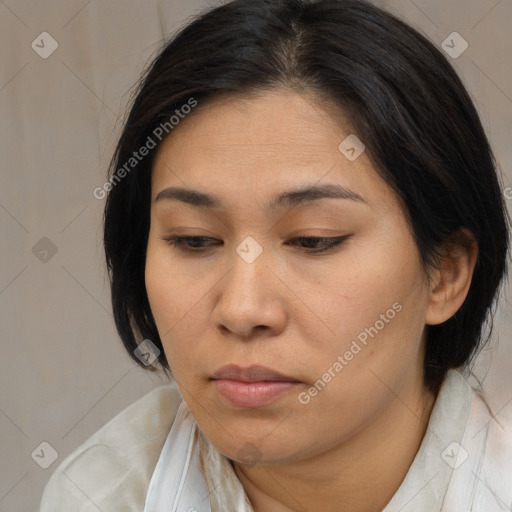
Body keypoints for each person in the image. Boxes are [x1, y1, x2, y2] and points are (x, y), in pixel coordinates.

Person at [39, 0, 512, 510]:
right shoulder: (101, 494)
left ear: (446, 272)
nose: (242, 310)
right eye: (194, 240)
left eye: (314, 240)